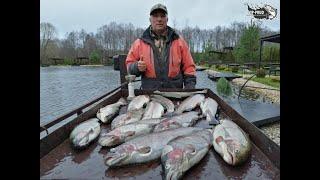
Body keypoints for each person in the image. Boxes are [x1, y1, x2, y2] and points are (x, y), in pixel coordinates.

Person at [125, 3, 196, 89]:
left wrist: (189, 88)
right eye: (155, 16)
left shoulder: (179, 42)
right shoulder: (139, 43)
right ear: (150, 20)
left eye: (162, 16)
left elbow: (189, 67)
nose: (159, 19)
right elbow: (129, 66)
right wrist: (137, 67)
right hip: (149, 94)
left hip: (175, 93)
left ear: (167, 19)